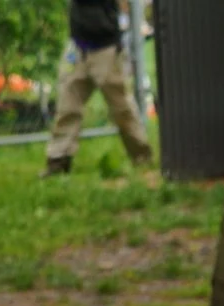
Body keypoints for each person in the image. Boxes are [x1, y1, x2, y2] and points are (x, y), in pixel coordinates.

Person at [42, 0, 153, 178]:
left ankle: (141, 156)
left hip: (106, 49)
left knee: (122, 108)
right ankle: (58, 159)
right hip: (78, 48)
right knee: (67, 106)